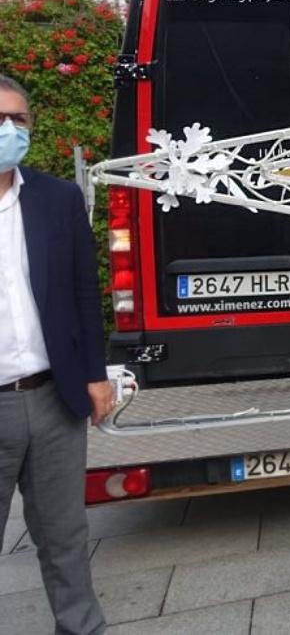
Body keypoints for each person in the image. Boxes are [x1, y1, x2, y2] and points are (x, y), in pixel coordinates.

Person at [0, 74, 113, 635]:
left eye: (18, 120)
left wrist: (95, 375)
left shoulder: (56, 198)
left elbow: (81, 293)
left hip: (51, 396)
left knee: (65, 538)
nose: (8, 129)